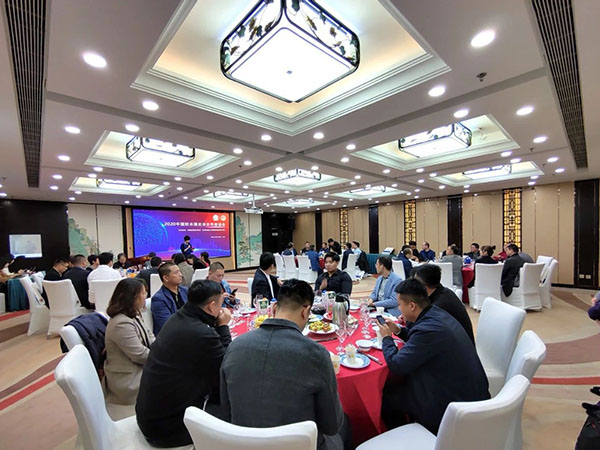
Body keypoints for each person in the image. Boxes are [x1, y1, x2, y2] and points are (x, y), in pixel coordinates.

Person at [221, 279, 348, 450]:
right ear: (306, 311)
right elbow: (331, 425)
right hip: (298, 446)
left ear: (273, 308)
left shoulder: (235, 346)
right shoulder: (316, 354)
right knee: (345, 426)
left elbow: (226, 409)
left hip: (241, 442)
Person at [378, 279, 489, 434]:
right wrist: (398, 330)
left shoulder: (428, 329)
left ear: (412, 306)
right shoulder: (435, 313)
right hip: (465, 385)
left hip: (455, 402)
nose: (398, 308)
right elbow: (421, 340)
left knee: (387, 398)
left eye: (400, 305)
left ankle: (411, 436)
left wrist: (387, 338)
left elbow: (397, 365)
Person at [136, 280, 232, 448]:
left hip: (149, 416)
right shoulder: (201, 334)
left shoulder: (178, 318)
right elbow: (226, 367)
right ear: (211, 306)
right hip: (168, 429)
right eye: (220, 304)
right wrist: (223, 327)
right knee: (234, 405)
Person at [104, 278, 155, 405]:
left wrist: (163, 350)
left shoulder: (133, 314)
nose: (145, 296)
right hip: (129, 378)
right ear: (133, 297)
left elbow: (150, 337)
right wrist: (163, 358)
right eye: (143, 293)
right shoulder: (121, 323)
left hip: (139, 367)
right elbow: (139, 355)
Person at [412, 264, 475, 344]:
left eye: (416, 284)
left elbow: (421, 333)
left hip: (457, 347)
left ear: (424, 286)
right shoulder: (442, 292)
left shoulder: (439, 306)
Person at [151, 262, 188, 335]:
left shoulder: (185, 291)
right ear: (166, 278)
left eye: (179, 271)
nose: (180, 275)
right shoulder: (158, 299)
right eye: (176, 273)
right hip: (172, 336)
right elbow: (167, 325)